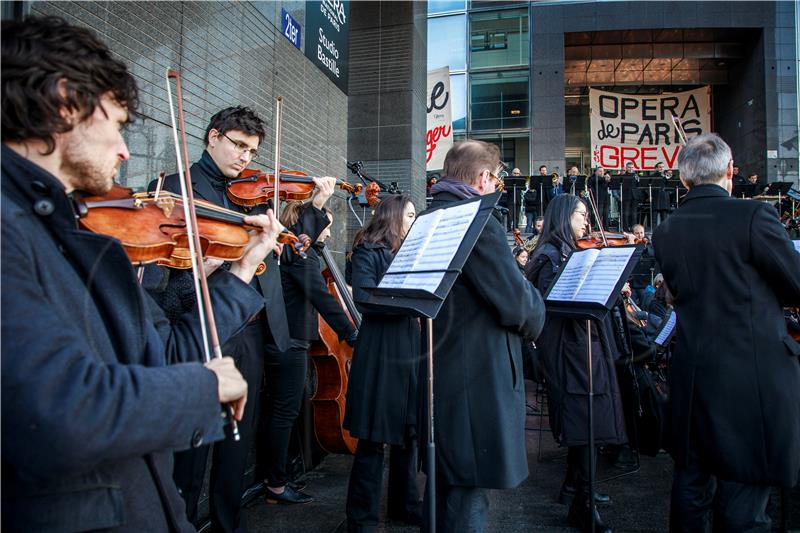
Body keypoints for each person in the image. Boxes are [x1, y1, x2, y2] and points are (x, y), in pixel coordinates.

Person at [1, 16, 251, 532]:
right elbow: (62, 411)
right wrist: (201, 389)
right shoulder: (10, 228)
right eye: (115, 122)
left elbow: (160, 354)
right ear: (66, 101)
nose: (124, 150)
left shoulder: (63, 229)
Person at [149, 106, 337, 529]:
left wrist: (312, 210)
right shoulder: (176, 188)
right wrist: (215, 260)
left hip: (252, 331)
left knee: (239, 440)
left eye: (252, 153)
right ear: (213, 137)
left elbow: (291, 251)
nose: (245, 159)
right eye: (239, 146)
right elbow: (165, 283)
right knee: (193, 446)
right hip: (203, 329)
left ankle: (228, 523)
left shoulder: (253, 194)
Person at [652, 133, 800, 532]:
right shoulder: (752, 216)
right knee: (743, 496)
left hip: (693, 375)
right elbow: (796, 283)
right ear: (730, 171)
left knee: (691, 484)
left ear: (685, 180)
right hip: (748, 380)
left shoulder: (665, 231)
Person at [423, 140, 545, 532]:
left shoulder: (429, 217)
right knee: (467, 493)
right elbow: (516, 303)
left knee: (444, 486)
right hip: (476, 376)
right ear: (482, 177)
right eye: (496, 179)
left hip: (438, 371)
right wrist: (537, 309)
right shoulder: (477, 222)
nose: (496, 188)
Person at [525, 194, 627, 533]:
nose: (586, 221)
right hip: (570, 350)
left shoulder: (569, 251)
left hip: (583, 346)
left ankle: (577, 488)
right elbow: (545, 307)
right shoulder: (550, 255)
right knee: (586, 420)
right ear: (564, 216)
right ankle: (582, 499)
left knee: (590, 419)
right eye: (580, 214)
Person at [264, 202, 358, 505]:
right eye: (325, 226)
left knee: (283, 412)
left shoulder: (292, 253)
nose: (328, 233)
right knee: (284, 414)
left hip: (287, 341)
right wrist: (354, 333)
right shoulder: (300, 257)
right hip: (289, 343)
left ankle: (280, 477)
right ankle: (275, 485)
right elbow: (324, 301)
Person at [343, 194, 422, 532]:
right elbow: (363, 296)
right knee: (373, 439)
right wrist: (407, 299)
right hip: (380, 351)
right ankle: (361, 518)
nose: (414, 221)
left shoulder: (413, 252)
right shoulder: (368, 250)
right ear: (392, 217)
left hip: (409, 347)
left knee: (408, 434)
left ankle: (405, 505)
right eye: (410, 215)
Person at [619, 162, 642, 231]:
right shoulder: (623, 175)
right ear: (626, 168)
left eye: (632, 167)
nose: (631, 169)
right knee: (625, 213)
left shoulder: (636, 175)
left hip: (635, 196)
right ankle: (625, 228)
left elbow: (638, 185)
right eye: (629, 167)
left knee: (634, 213)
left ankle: (633, 228)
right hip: (626, 195)